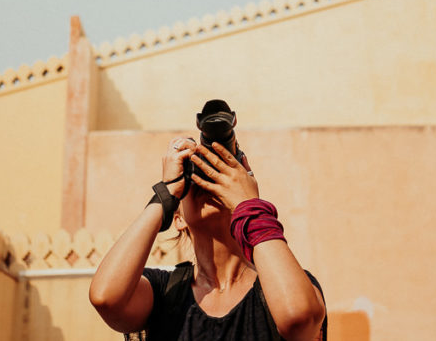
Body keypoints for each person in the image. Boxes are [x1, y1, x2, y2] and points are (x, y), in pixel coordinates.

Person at [89, 100, 327, 340]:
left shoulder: (282, 289)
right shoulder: (164, 292)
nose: (209, 182)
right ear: (178, 218)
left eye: (222, 172)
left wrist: (248, 204)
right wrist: (166, 193)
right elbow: (106, 298)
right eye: (197, 177)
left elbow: (299, 318)